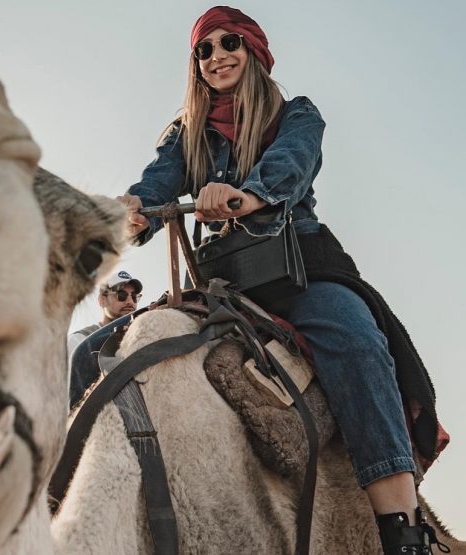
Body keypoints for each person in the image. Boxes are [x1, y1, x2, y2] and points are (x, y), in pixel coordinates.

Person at [118, 6, 446, 553]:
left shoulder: (297, 114)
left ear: (253, 51)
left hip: (300, 266)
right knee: (112, 350)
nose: (217, 56)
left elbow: (291, 167)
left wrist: (246, 196)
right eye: (204, 49)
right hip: (222, 279)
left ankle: (403, 531)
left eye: (230, 44)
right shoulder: (184, 134)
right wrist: (134, 209)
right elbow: (157, 185)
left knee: (357, 344)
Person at [66, 270, 143, 358]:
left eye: (134, 297)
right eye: (121, 295)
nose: (130, 302)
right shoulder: (78, 341)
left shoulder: (142, 340)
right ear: (102, 300)